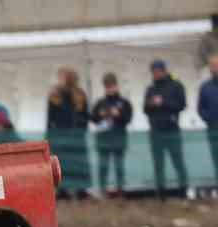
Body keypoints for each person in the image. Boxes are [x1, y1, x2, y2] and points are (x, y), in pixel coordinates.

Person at [144, 59, 189, 199]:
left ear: (164, 71)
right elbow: (145, 109)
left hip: (172, 130)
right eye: (153, 72)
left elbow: (182, 105)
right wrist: (151, 104)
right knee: (158, 164)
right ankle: (161, 192)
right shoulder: (150, 89)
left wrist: (163, 102)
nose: (155, 74)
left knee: (178, 161)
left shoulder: (176, 86)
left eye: (158, 71)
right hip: (156, 131)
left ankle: (183, 190)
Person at [46, 68, 91, 197]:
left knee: (79, 162)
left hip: (77, 135)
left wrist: (82, 128)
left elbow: (85, 114)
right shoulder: (55, 95)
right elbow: (50, 117)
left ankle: (81, 189)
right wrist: (50, 134)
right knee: (63, 162)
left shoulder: (80, 94)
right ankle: (62, 190)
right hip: (61, 135)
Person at [89, 73, 134, 195]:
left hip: (119, 138)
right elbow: (92, 118)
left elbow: (128, 119)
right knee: (103, 166)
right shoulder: (100, 102)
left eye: (112, 85)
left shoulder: (124, 102)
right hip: (103, 139)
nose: (110, 88)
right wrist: (100, 115)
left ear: (116, 86)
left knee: (119, 165)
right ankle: (102, 189)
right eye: (107, 86)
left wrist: (118, 115)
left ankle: (120, 189)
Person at [199, 53, 218, 195]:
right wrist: (209, 118)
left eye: (216, 65)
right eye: (212, 65)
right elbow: (200, 108)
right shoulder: (205, 87)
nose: (214, 68)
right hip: (213, 128)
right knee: (216, 158)